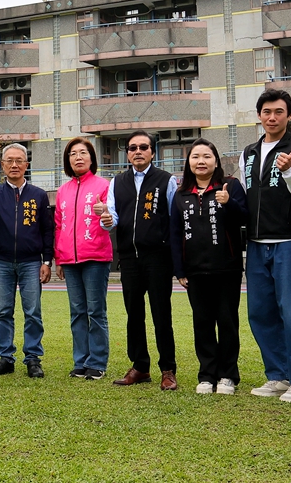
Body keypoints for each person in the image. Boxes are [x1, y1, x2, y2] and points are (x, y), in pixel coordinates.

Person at [239, 88, 291, 402]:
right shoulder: (249, 151)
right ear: (259, 115)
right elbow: (247, 198)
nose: (272, 117)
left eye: (279, 112)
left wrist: (288, 171)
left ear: (290, 115)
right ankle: (278, 376)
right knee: (260, 313)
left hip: (290, 242)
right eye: (266, 112)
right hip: (257, 245)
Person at [97, 131, 178, 391]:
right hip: (129, 258)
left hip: (158, 258)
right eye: (132, 147)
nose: (138, 151)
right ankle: (140, 366)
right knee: (134, 314)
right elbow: (111, 217)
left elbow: (174, 221)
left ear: (153, 152)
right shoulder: (117, 182)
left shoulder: (167, 181)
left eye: (144, 147)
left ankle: (168, 370)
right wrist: (107, 220)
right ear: (127, 152)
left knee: (161, 314)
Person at [170, 139, 248, 394]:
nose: (201, 161)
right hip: (194, 272)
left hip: (227, 268)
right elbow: (175, 233)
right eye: (195, 157)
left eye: (206, 156)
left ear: (216, 160)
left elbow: (245, 217)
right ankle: (206, 375)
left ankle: (228, 376)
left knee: (227, 321)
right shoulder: (181, 194)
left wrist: (229, 202)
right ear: (189, 162)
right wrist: (179, 270)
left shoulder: (230, 186)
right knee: (202, 323)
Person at [0, 143, 54, 379]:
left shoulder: (38, 195)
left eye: (19, 160)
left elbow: (48, 230)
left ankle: (33, 358)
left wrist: (47, 261)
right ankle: (6, 357)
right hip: (2, 261)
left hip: (31, 262)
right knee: (4, 311)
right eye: (10, 160)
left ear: (26, 165)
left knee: (33, 311)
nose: (15, 165)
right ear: (3, 165)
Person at [54, 138, 113, 381]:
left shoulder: (103, 185)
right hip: (69, 260)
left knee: (95, 311)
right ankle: (81, 361)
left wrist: (106, 214)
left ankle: (97, 362)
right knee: (77, 311)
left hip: (96, 257)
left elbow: (111, 220)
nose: (78, 157)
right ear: (68, 160)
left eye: (83, 153)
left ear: (91, 158)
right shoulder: (63, 190)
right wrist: (58, 258)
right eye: (73, 154)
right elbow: (59, 225)